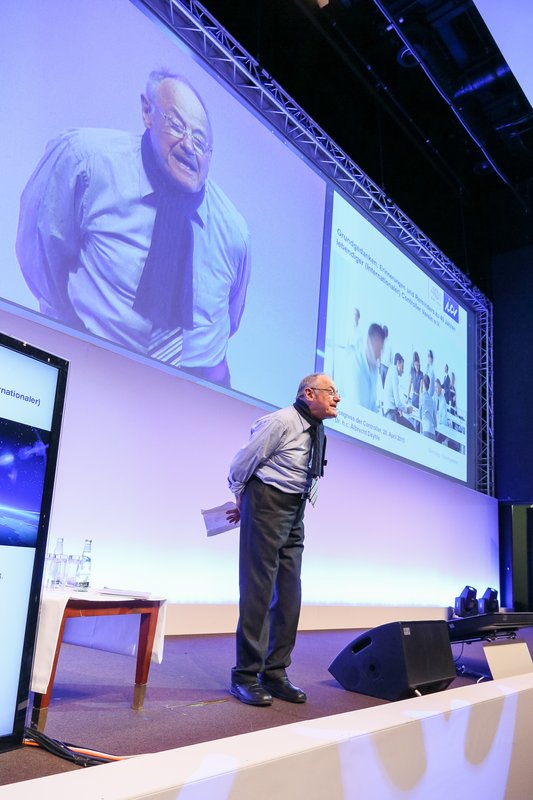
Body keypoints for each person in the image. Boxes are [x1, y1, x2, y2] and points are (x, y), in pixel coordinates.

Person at [16, 69, 251, 388]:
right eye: (176, 125)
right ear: (147, 112)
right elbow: (40, 255)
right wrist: (67, 337)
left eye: (200, 141)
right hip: (92, 362)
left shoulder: (234, 230)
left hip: (195, 391)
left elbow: (230, 320)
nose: (188, 146)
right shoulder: (85, 161)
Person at [226, 373, 340, 706]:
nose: (337, 398)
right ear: (309, 394)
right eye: (331, 392)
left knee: (289, 594)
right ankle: (245, 676)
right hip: (266, 501)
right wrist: (241, 499)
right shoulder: (280, 422)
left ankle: (274, 673)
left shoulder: (316, 428)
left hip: (295, 507)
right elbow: (241, 463)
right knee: (258, 591)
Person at [352, 323, 385, 412]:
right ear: (368, 341)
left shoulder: (374, 369)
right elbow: (357, 408)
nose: (379, 355)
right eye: (377, 349)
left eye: (381, 350)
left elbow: (372, 404)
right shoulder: (355, 363)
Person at [383, 353, 413, 427]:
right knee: (411, 427)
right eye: (402, 367)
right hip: (390, 413)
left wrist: (399, 409)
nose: (403, 371)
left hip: (388, 410)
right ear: (398, 363)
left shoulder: (391, 369)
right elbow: (397, 402)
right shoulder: (394, 373)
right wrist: (407, 410)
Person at [419, 374, 436, 439]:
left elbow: (420, 416)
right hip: (433, 432)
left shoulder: (421, 397)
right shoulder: (431, 399)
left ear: (422, 383)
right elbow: (435, 419)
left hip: (426, 430)